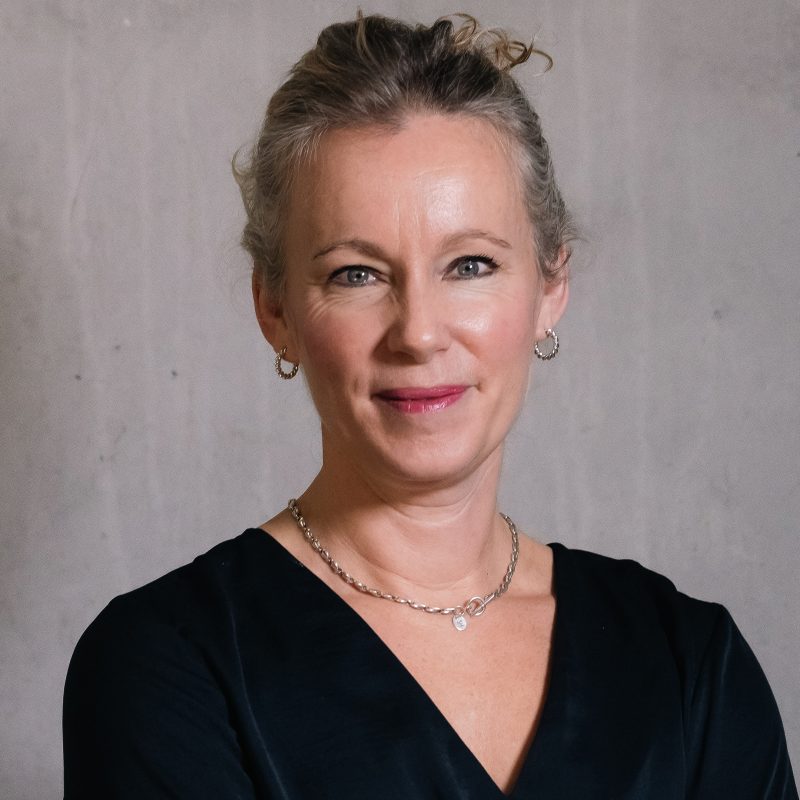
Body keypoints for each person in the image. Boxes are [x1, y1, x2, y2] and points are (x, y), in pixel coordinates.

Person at [63, 12, 797, 799]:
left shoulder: (689, 662)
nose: (417, 333)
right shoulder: (166, 663)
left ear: (551, 288)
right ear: (275, 310)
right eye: (356, 274)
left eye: (470, 264)